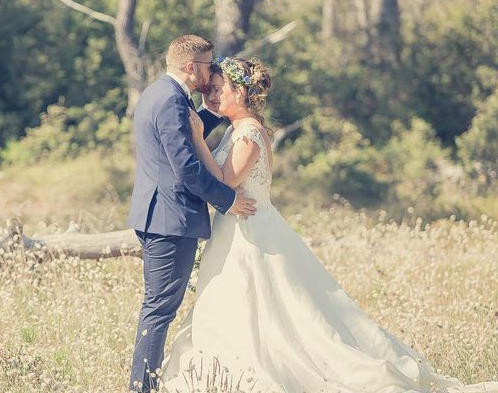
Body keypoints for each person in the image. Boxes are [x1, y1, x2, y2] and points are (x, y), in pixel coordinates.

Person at [159, 56, 498, 393]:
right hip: (236, 227)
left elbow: (224, 180)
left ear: (242, 93)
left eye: (219, 90)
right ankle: (224, 372)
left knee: (264, 307)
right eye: (211, 90)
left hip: (250, 233)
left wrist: (199, 137)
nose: (212, 97)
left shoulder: (248, 135)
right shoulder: (237, 131)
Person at [127, 36, 257, 393]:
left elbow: (185, 137)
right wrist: (227, 199)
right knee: (159, 310)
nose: (211, 72)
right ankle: (141, 388)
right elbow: (185, 166)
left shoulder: (160, 93)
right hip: (169, 219)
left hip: (160, 215)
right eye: (207, 65)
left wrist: (212, 114)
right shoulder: (170, 100)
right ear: (191, 67)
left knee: (158, 307)